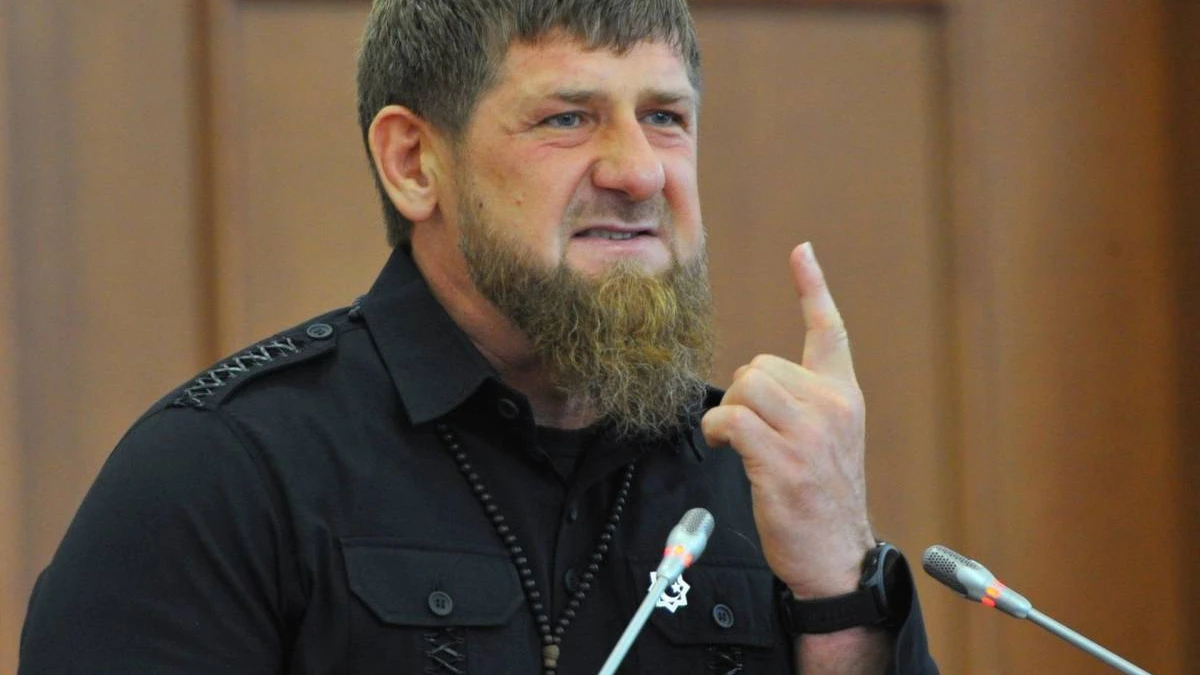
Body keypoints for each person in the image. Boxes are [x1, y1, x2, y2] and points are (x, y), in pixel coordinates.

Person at [19, 1, 940, 673]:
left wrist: (838, 588)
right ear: (414, 162)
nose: (638, 172)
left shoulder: (763, 484)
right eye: (567, 118)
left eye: (665, 118)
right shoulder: (219, 473)